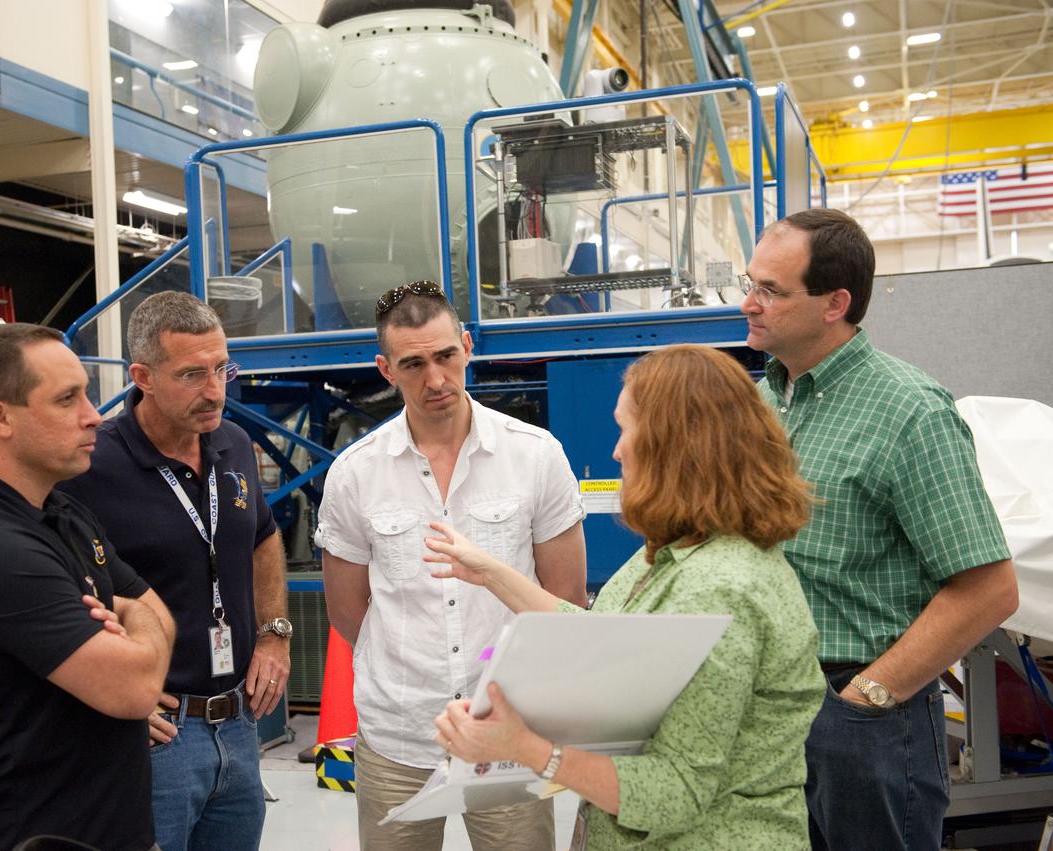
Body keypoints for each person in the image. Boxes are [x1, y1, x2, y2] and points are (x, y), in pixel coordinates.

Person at [426, 344, 826, 850]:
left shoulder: (720, 588)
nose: (617, 450)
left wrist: (525, 748)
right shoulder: (673, 554)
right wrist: (491, 574)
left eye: (626, 429)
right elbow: (602, 636)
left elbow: (676, 791)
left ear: (673, 446)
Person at [740, 208, 1019, 850]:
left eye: (771, 291)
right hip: (771, 704)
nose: (748, 303)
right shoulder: (761, 402)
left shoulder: (908, 412)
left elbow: (989, 589)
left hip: (862, 710)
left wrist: (866, 698)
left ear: (835, 302)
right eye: (749, 282)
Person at [315, 280, 588, 851]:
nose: (435, 379)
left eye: (445, 356)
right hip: (398, 736)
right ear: (385, 369)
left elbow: (565, 598)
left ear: (467, 346)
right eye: (413, 364)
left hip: (509, 731)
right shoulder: (354, 474)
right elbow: (348, 613)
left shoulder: (535, 455)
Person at [0, 323, 174, 851]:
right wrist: (130, 631)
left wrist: (131, 625)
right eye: (66, 399)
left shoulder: (62, 511)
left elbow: (157, 611)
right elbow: (134, 689)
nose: (93, 415)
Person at [59, 291, 288, 851]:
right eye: (192, 374)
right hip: (156, 735)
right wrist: (112, 706)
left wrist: (274, 634)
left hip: (238, 725)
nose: (215, 392)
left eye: (221, 369)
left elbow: (263, 537)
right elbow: (64, 596)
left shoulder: (232, 443)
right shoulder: (91, 467)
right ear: (143, 376)